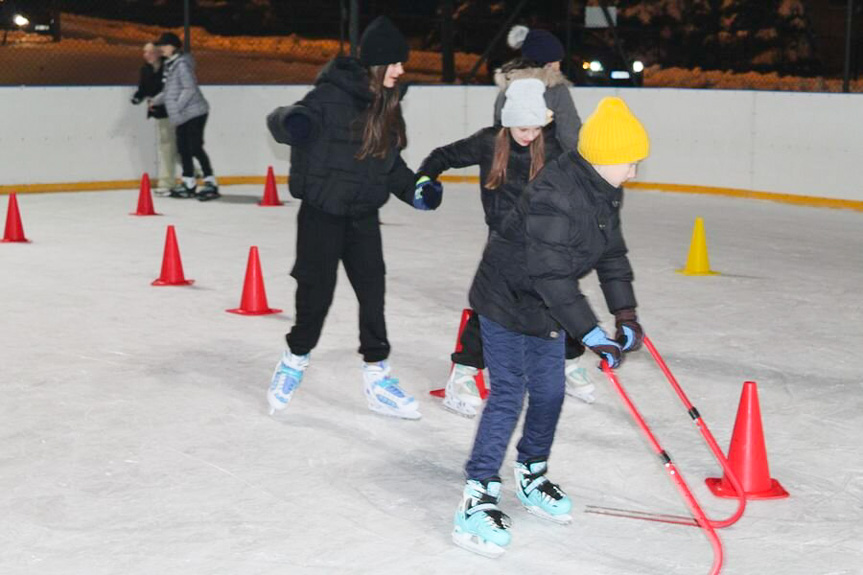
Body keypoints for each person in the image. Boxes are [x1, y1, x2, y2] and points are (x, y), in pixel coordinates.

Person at [451, 97, 648, 557]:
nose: (635, 172)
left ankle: (531, 472)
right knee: (507, 394)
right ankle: (476, 495)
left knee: (550, 392)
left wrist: (625, 314)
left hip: (545, 306)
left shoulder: (604, 190)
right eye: (631, 162)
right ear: (604, 157)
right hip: (505, 298)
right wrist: (590, 332)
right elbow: (550, 275)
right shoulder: (555, 194)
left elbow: (611, 254)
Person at [264, 16, 442, 421]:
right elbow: (282, 118)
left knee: (372, 294)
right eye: (395, 63)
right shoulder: (329, 96)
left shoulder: (386, 105)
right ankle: (293, 361)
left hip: (362, 218)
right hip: (321, 216)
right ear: (377, 64)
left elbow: (391, 166)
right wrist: (293, 123)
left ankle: (378, 376)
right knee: (315, 296)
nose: (401, 70)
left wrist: (416, 190)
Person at [442, 25, 596, 410]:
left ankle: (562, 360)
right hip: (545, 209)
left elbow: (500, 143)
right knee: (546, 286)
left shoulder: (507, 89)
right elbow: (575, 141)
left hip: (507, 208)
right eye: (556, 58)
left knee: (516, 288)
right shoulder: (556, 90)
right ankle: (565, 362)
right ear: (546, 61)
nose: (560, 64)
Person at [417, 78, 561, 418]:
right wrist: (425, 178)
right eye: (523, 128)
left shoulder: (550, 146)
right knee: (491, 304)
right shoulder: (488, 142)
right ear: (509, 122)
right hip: (501, 240)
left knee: (547, 299)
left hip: (540, 240)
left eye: (536, 128)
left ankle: (556, 360)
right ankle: (465, 370)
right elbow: (443, 155)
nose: (529, 135)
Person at [150, 32, 219, 201]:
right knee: (183, 149)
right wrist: (155, 100)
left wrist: (177, 106)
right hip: (181, 115)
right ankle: (189, 182)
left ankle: (210, 181)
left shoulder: (181, 65)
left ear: (173, 47)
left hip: (195, 112)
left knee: (195, 146)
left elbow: (189, 88)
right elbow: (169, 91)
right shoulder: (170, 65)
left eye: (164, 46)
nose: (161, 49)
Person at [131, 42, 177, 195]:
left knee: (167, 146)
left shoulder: (168, 68)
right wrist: (138, 98)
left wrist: (155, 100)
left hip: (171, 111)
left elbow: (169, 90)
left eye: (149, 52)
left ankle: (167, 182)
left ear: (158, 53)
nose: (146, 55)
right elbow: (143, 88)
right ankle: (195, 171)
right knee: (171, 146)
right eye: (144, 52)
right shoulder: (145, 70)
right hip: (159, 112)